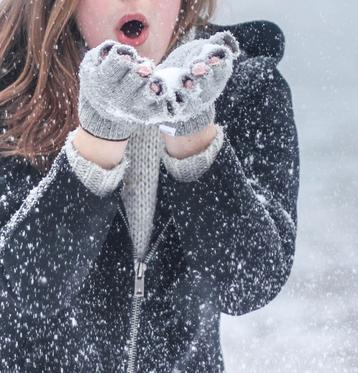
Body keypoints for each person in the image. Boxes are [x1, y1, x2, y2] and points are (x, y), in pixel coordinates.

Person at [0, 0, 299, 371]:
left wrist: (193, 135)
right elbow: (18, 293)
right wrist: (98, 140)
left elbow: (248, 284)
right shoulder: (10, 92)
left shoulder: (246, 89)